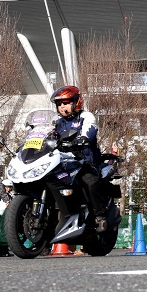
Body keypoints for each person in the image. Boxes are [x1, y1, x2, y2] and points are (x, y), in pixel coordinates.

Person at [51, 85, 107, 233]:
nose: (62, 107)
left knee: (89, 180)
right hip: (61, 163)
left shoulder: (85, 116)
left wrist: (83, 138)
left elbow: (90, 129)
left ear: (76, 102)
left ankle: (100, 216)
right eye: (59, 104)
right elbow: (44, 133)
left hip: (84, 161)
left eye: (66, 103)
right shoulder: (56, 121)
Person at [0, 179, 14, 257]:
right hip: (1, 217)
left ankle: (5, 251)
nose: (8, 189)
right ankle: (0, 251)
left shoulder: (10, 196)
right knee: (1, 234)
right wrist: (4, 206)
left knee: (6, 234)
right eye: (7, 187)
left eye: (9, 187)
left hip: (7, 218)